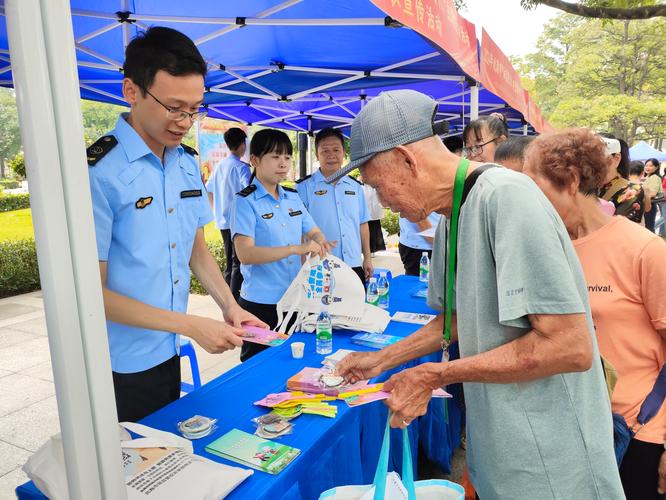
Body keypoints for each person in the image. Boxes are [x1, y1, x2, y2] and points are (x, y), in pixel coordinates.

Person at [333, 89, 624, 499]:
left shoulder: (506, 198)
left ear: (406, 159)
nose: (382, 201)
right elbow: (457, 317)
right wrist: (382, 359)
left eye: (378, 186)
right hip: (502, 455)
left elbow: (570, 346)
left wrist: (438, 373)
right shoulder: (453, 213)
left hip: (553, 467)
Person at [87, 27, 265, 422]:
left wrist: (230, 307)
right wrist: (189, 324)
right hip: (116, 361)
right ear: (131, 91)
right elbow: (90, 292)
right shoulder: (98, 173)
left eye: (195, 108)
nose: (185, 121)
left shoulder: (185, 162)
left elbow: (195, 248)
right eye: (174, 108)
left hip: (166, 348)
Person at [523, 128, 666, 500]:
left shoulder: (644, 250)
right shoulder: (548, 249)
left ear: (570, 181)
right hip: (571, 428)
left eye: (531, 185)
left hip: (638, 431)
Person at [231, 129, 333, 361]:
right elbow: (245, 254)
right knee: (257, 365)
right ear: (255, 160)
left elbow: (313, 229)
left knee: (291, 360)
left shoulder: (292, 196)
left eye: (287, 157)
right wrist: (295, 249)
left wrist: (321, 241)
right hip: (260, 303)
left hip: (294, 298)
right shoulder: (244, 201)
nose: (283, 163)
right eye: (275, 157)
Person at [296, 128, 372, 285]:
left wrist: (368, 259)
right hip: (319, 266)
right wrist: (302, 264)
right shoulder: (304, 188)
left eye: (336, 150)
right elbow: (298, 230)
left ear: (344, 153)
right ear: (317, 155)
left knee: (355, 309)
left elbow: (363, 224)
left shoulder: (356, 187)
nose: (331, 155)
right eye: (325, 151)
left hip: (353, 264)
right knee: (321, 310)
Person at [205, 127, 251, 299]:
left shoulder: (219, 166)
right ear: (242, 144)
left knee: (229, 262)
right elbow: (250, 191)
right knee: (238, 262)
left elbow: (208, 190)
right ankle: (233, 301)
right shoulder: (242, 168)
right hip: (238, 221)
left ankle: (226, 298)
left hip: (222, 221)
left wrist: (215, 210)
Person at [598, 133, 648, 223]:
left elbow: (618, 229)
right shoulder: (585, 187)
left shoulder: (632, 190)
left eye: (597, 157)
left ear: (616, 158)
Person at [361, 176, 386, 254]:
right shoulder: (360, 185)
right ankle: (367, 251)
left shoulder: (375, 183)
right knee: (365, 231)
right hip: (365, 213)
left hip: (374, 213)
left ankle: (373, 250)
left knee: (374, 231)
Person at [643, 158, 664, 233]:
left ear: (656, 167)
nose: (647, 167)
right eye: (646, 165)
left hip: (650, 205)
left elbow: (653, 193)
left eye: (651, 166)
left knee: (649, 228)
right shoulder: (648, 177)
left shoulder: (655, 177)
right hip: (647, 204)